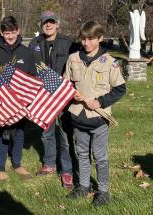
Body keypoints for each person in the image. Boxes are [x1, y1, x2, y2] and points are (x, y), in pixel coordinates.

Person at [63, 21, 126, 206]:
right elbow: (65, 84)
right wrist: (71, 94)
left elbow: (120, 89)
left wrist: (100, 101)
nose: (86, 43)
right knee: (82, 154)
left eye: (91, 39)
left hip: (98, 119)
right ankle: (83, 187)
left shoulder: (110, 62)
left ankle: (103, 191)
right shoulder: (73, 58)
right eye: (83, 39)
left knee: (100, 157)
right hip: (77, 117)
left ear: (100, 38)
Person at [28, 10, 78, 188]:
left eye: (51, 22)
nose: (48, 25)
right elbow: (29, 68)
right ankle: (49, 163)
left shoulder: (69, 44)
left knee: (64, 135)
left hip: (63, 96)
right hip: (43, 96)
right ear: (41, 25)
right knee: (46, 133)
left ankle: (66, 170)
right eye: (45, 22)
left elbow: (79, 63)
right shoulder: (34, 43)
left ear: (57, 24)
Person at [0, 16, 37, 182]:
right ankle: (1, 167)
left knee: (19, 133)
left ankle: (17, 164)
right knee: (2, 133)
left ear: (18, 31)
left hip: (21, 102)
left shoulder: (26, 52)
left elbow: (33, 76)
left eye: (13, 32)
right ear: (1, 33)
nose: (10, 36)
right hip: (2, 102)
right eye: (6, 33)